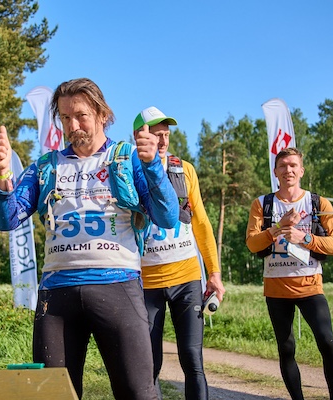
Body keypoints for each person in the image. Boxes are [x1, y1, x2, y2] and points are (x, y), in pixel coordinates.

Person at [0, 78, 180, 400]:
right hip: (57, 294)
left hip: (117, 285)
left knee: (139, 393)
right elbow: (8, 219)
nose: (72, 125)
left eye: (81, 116)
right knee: (53, 396)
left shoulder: (126, 158)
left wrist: (152, 167)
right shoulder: (46, 166)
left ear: (102, 114)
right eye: (65, 117)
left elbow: (167, 217)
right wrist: (2, 172)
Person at [133, 106, 225, 400]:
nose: (162, 141)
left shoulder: (184, 169)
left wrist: (214, 273)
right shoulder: (128, 170)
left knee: (193, 360)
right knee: (150, 364)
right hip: (147, 283)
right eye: (155, 134)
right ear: (139, 136)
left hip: (187, 278)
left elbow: (201, 223)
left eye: (166, 134)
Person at [245, 147, 333, 400]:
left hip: (310, 286)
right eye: (283, 166)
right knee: (286, 348)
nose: (288, 170)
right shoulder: (262, 204)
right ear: (275, 172)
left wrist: (305, 238)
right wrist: (278, 227)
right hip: (276, 288)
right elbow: (253, 244)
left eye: (293, 165)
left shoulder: (318, 203)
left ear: (301, 171)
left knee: (326, 342)